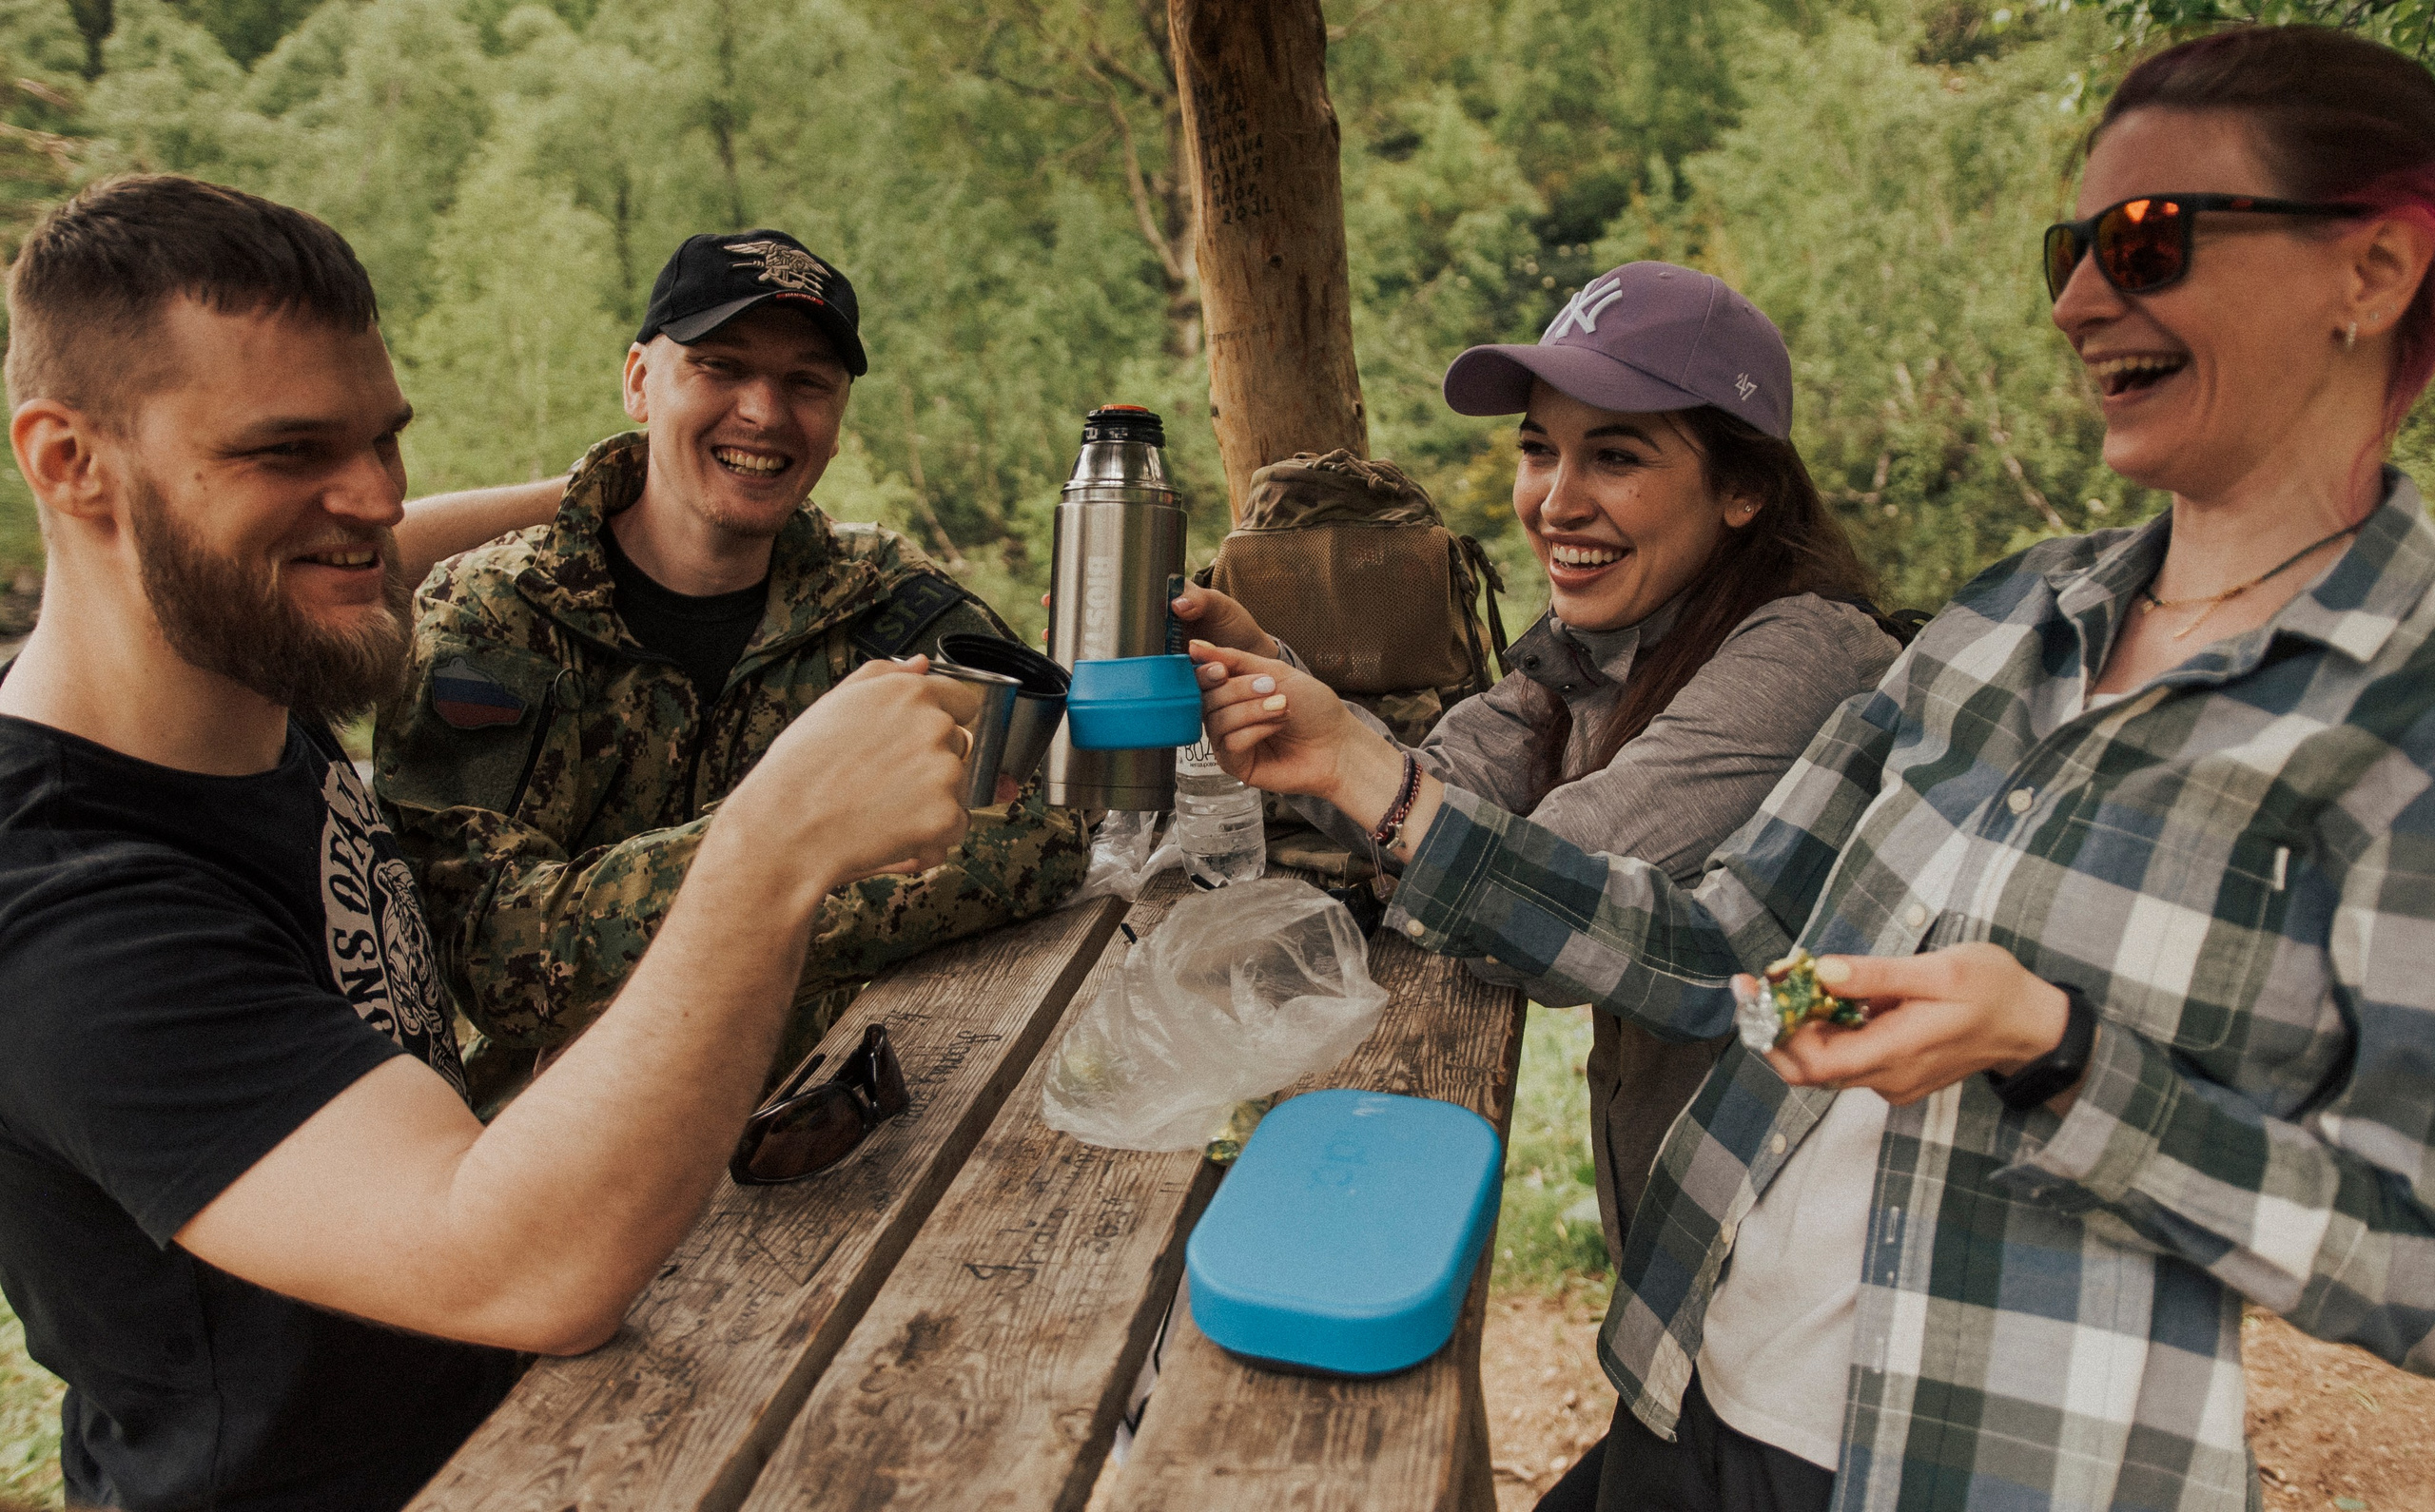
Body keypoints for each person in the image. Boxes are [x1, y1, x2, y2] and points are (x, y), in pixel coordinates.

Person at [1196, 26, 2435, 1512]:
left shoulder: (2400, 719)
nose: (2079, 298)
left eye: (2148, 238)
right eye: (2073, 248)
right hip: (1693, 1378)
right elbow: (1725, 944)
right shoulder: (2001, 623)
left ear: (2373, 271)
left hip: (1982, 1468)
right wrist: (1359, 769)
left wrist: (2058, 1052)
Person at [0, 174, 984, 1510]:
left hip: (535, 1421)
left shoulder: (230, 650)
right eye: (289, 451)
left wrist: (619, 497)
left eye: (382, 440)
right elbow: (523, 1269)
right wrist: (776, 839)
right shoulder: (71, 910)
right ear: (70, 463)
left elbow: (369, 545)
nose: (366, 501)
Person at [1172, 262, 1899, 1500]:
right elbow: (1439, 784)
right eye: (1537, 451)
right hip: (1699, 1333)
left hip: (1834, 1377)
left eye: (1613, 456)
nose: (1555, 500)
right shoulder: (1597, 651)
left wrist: (1365, 778)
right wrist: (1276, 689)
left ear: (1742, 490)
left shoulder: (1805, 656)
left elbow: (1543, 905)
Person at [374, 229, 1087, 1111]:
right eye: (719, 366)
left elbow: (1044, 827)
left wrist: (748, 902)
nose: (764, 411)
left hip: (820, 1112)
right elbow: (500, 951)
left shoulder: (889, 605)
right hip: (549, 1144)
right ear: (639, 381)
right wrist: (803, 850)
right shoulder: (495, 614)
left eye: (807, 382)